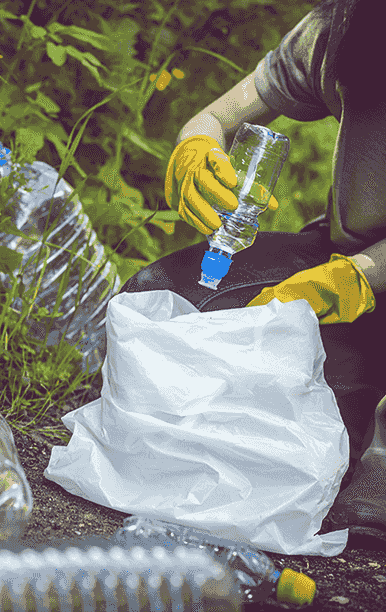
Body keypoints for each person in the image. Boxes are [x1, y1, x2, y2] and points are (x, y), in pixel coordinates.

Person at [118, 0, 386, 548]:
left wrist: (360, 276)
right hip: (345, 263)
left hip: (364, 276)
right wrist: (197, 143)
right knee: (160, 296)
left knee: (327, 472)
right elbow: (218, 116)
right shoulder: (346, 29)